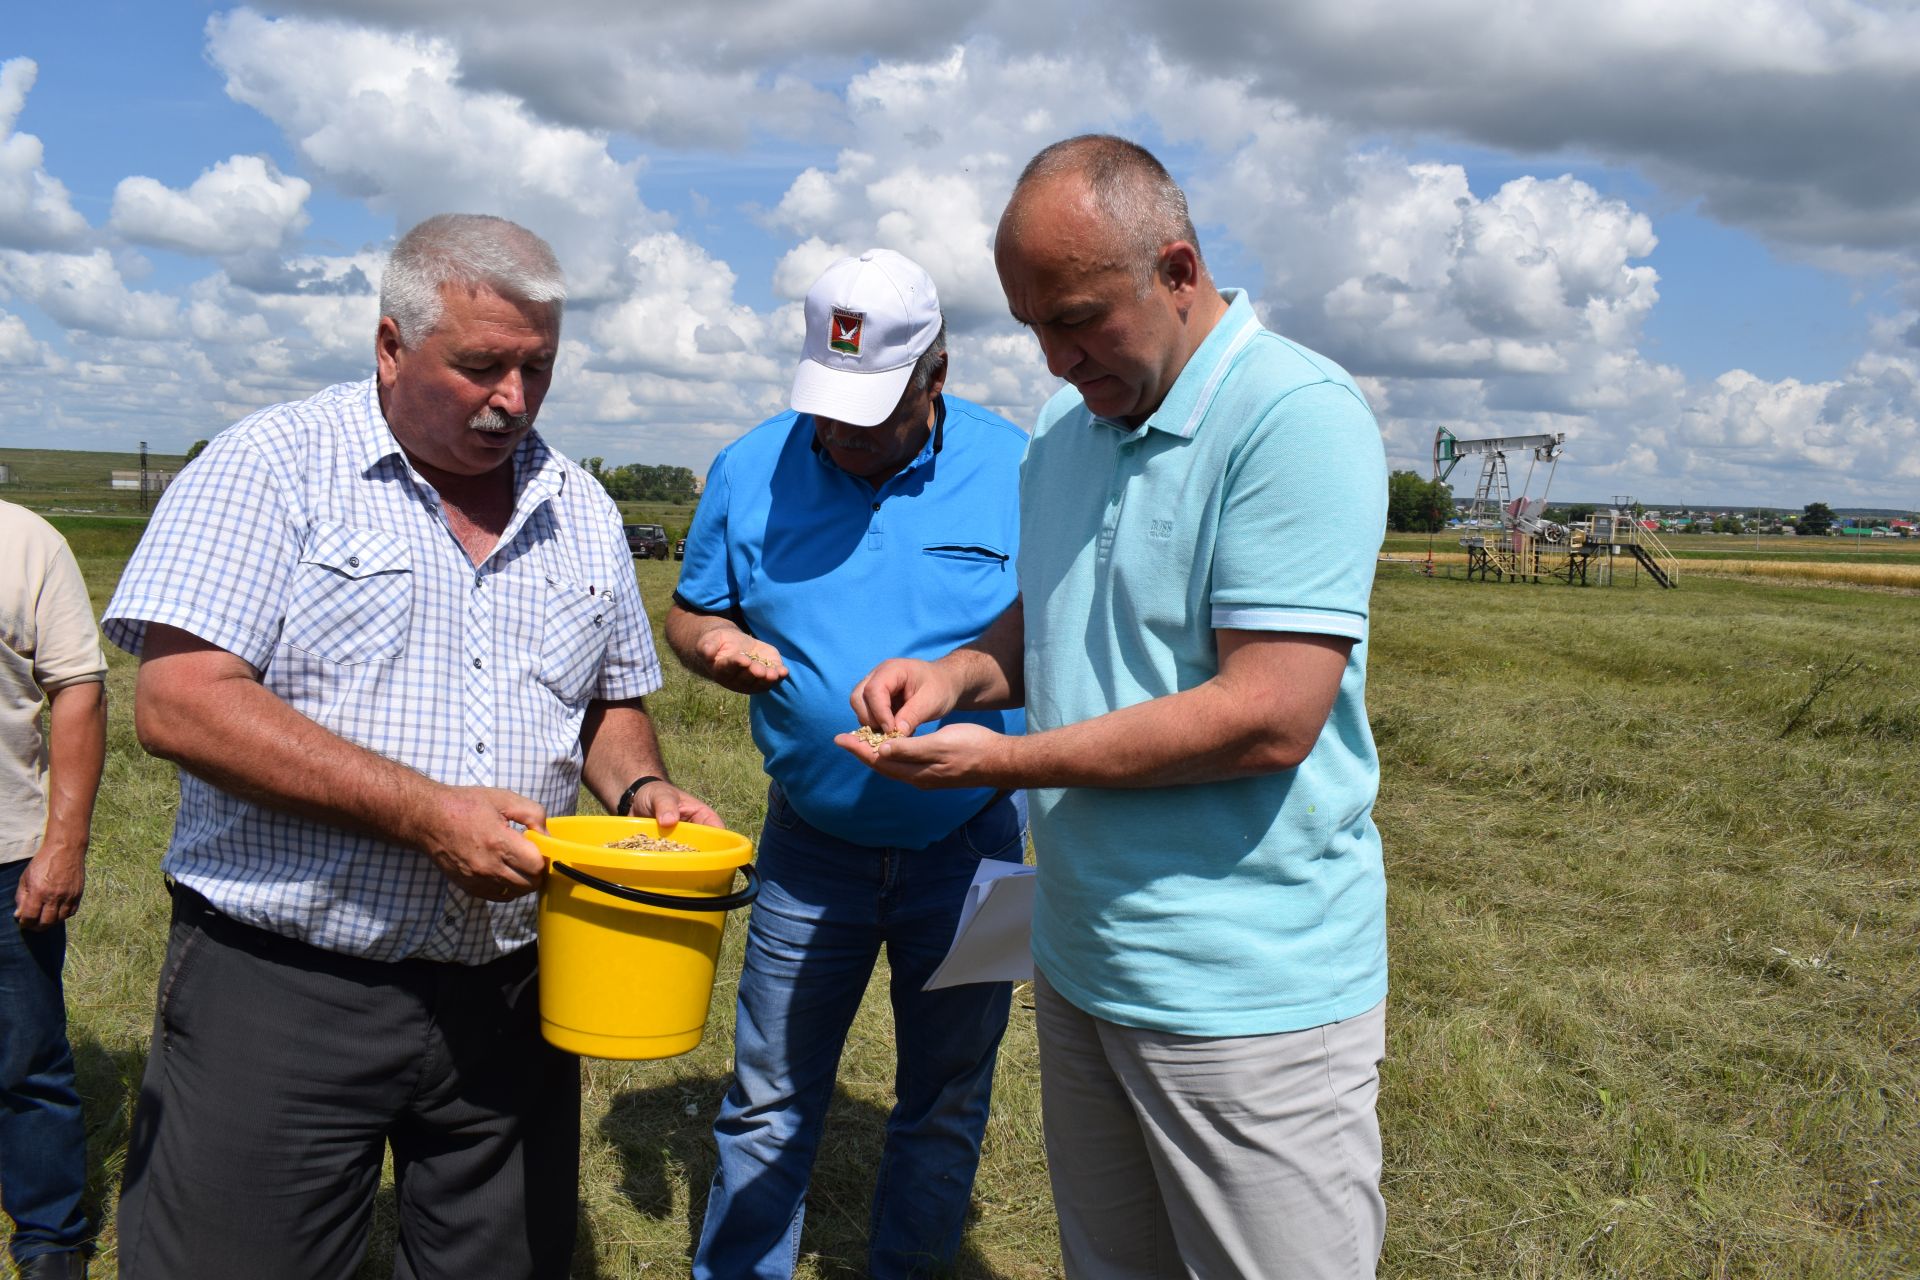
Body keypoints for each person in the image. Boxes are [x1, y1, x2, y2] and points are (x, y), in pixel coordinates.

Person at [103, 213, 718, 1280]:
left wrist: (645, 786)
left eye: (538, 369)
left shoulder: (576, 505)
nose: (512, 400)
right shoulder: (274, 466)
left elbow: (608, 708)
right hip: (287, 986)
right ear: (390, 345)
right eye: (480, 365)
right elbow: (181, 702)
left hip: (520, 991)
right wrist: (426, 811)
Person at [842, 136, 1391, 1279]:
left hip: (1248, 992)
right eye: (1033, 326)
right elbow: (1056, 626)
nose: (1055, 358)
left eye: (1080, 317)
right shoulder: (1067, 427)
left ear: (1178, 269)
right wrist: (955, 676)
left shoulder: (1296, 415)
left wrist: (1004, 759)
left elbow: (1267, 712)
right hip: (1084, 956)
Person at [666, 249, 1028, 1279]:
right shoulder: (750, 465)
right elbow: (693, 610)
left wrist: (960, 684)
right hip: (808, 845)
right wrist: (714, 648)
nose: (842, 430)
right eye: (828, 402)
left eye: (872, 406)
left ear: (938, 373)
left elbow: (1061, 627)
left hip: (986, 845)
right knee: (768, 1093)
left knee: (952, 1094)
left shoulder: (1024, 468)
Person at [1, 501, 108, 1280]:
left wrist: (63, 845)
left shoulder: (27, 541)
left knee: (26, 1056)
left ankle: (49, 1238)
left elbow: (78, 687)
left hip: (7, 853)